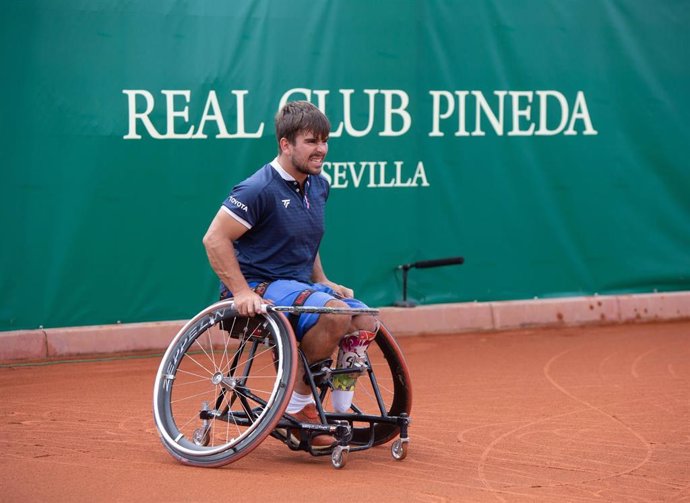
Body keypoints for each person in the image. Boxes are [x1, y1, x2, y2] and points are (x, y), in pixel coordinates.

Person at [202, 100, 378, 448]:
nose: (322, 150)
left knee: (365, 319)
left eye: (325, 141)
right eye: (312, 141)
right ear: (286, 144)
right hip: (258, 287)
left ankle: (332, 406)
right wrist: (240, 292)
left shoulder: (318, 185)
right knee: (335, 314)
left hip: (297, 287)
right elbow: (214, 238)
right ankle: (297, 408)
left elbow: (304, 239)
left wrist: (322, 280)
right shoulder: (258, 189)